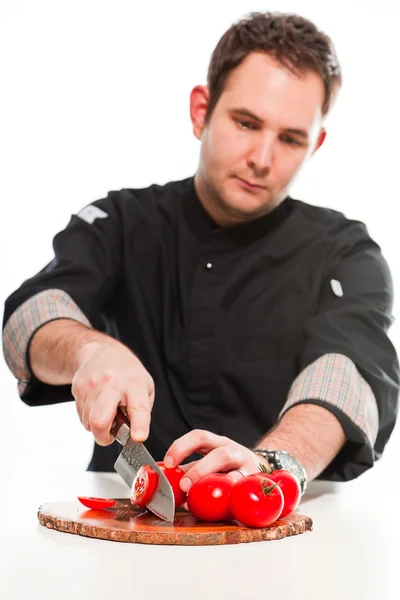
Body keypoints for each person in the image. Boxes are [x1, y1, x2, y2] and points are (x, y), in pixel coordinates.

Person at [3, 11, 399, 497]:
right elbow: (32, 314)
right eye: (246, 123)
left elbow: (348, 372)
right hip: (125, 531)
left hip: (276, 528)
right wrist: (90, 350)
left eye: (291, 138)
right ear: (201, 112)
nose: (262, 158)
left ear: (315, 145)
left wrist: (273, 463)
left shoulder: (347, 254)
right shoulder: (119, 222)